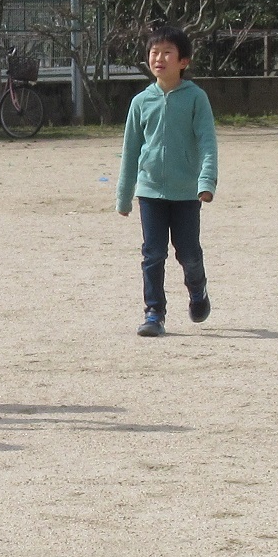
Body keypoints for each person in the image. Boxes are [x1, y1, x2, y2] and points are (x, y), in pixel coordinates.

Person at [114, 24, 218, 337]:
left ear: (183, 61)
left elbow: (208, 143)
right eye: (154, 53)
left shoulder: (196, 98)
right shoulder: (140, 102)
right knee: (153, 253)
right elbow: (130, 150)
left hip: (187, 192)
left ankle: (197, 289)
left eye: (167, 53)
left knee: (187, 252)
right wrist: (124, 195)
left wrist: (206, 182)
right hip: (150, 193)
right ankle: (153, 313)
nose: (159, 58)